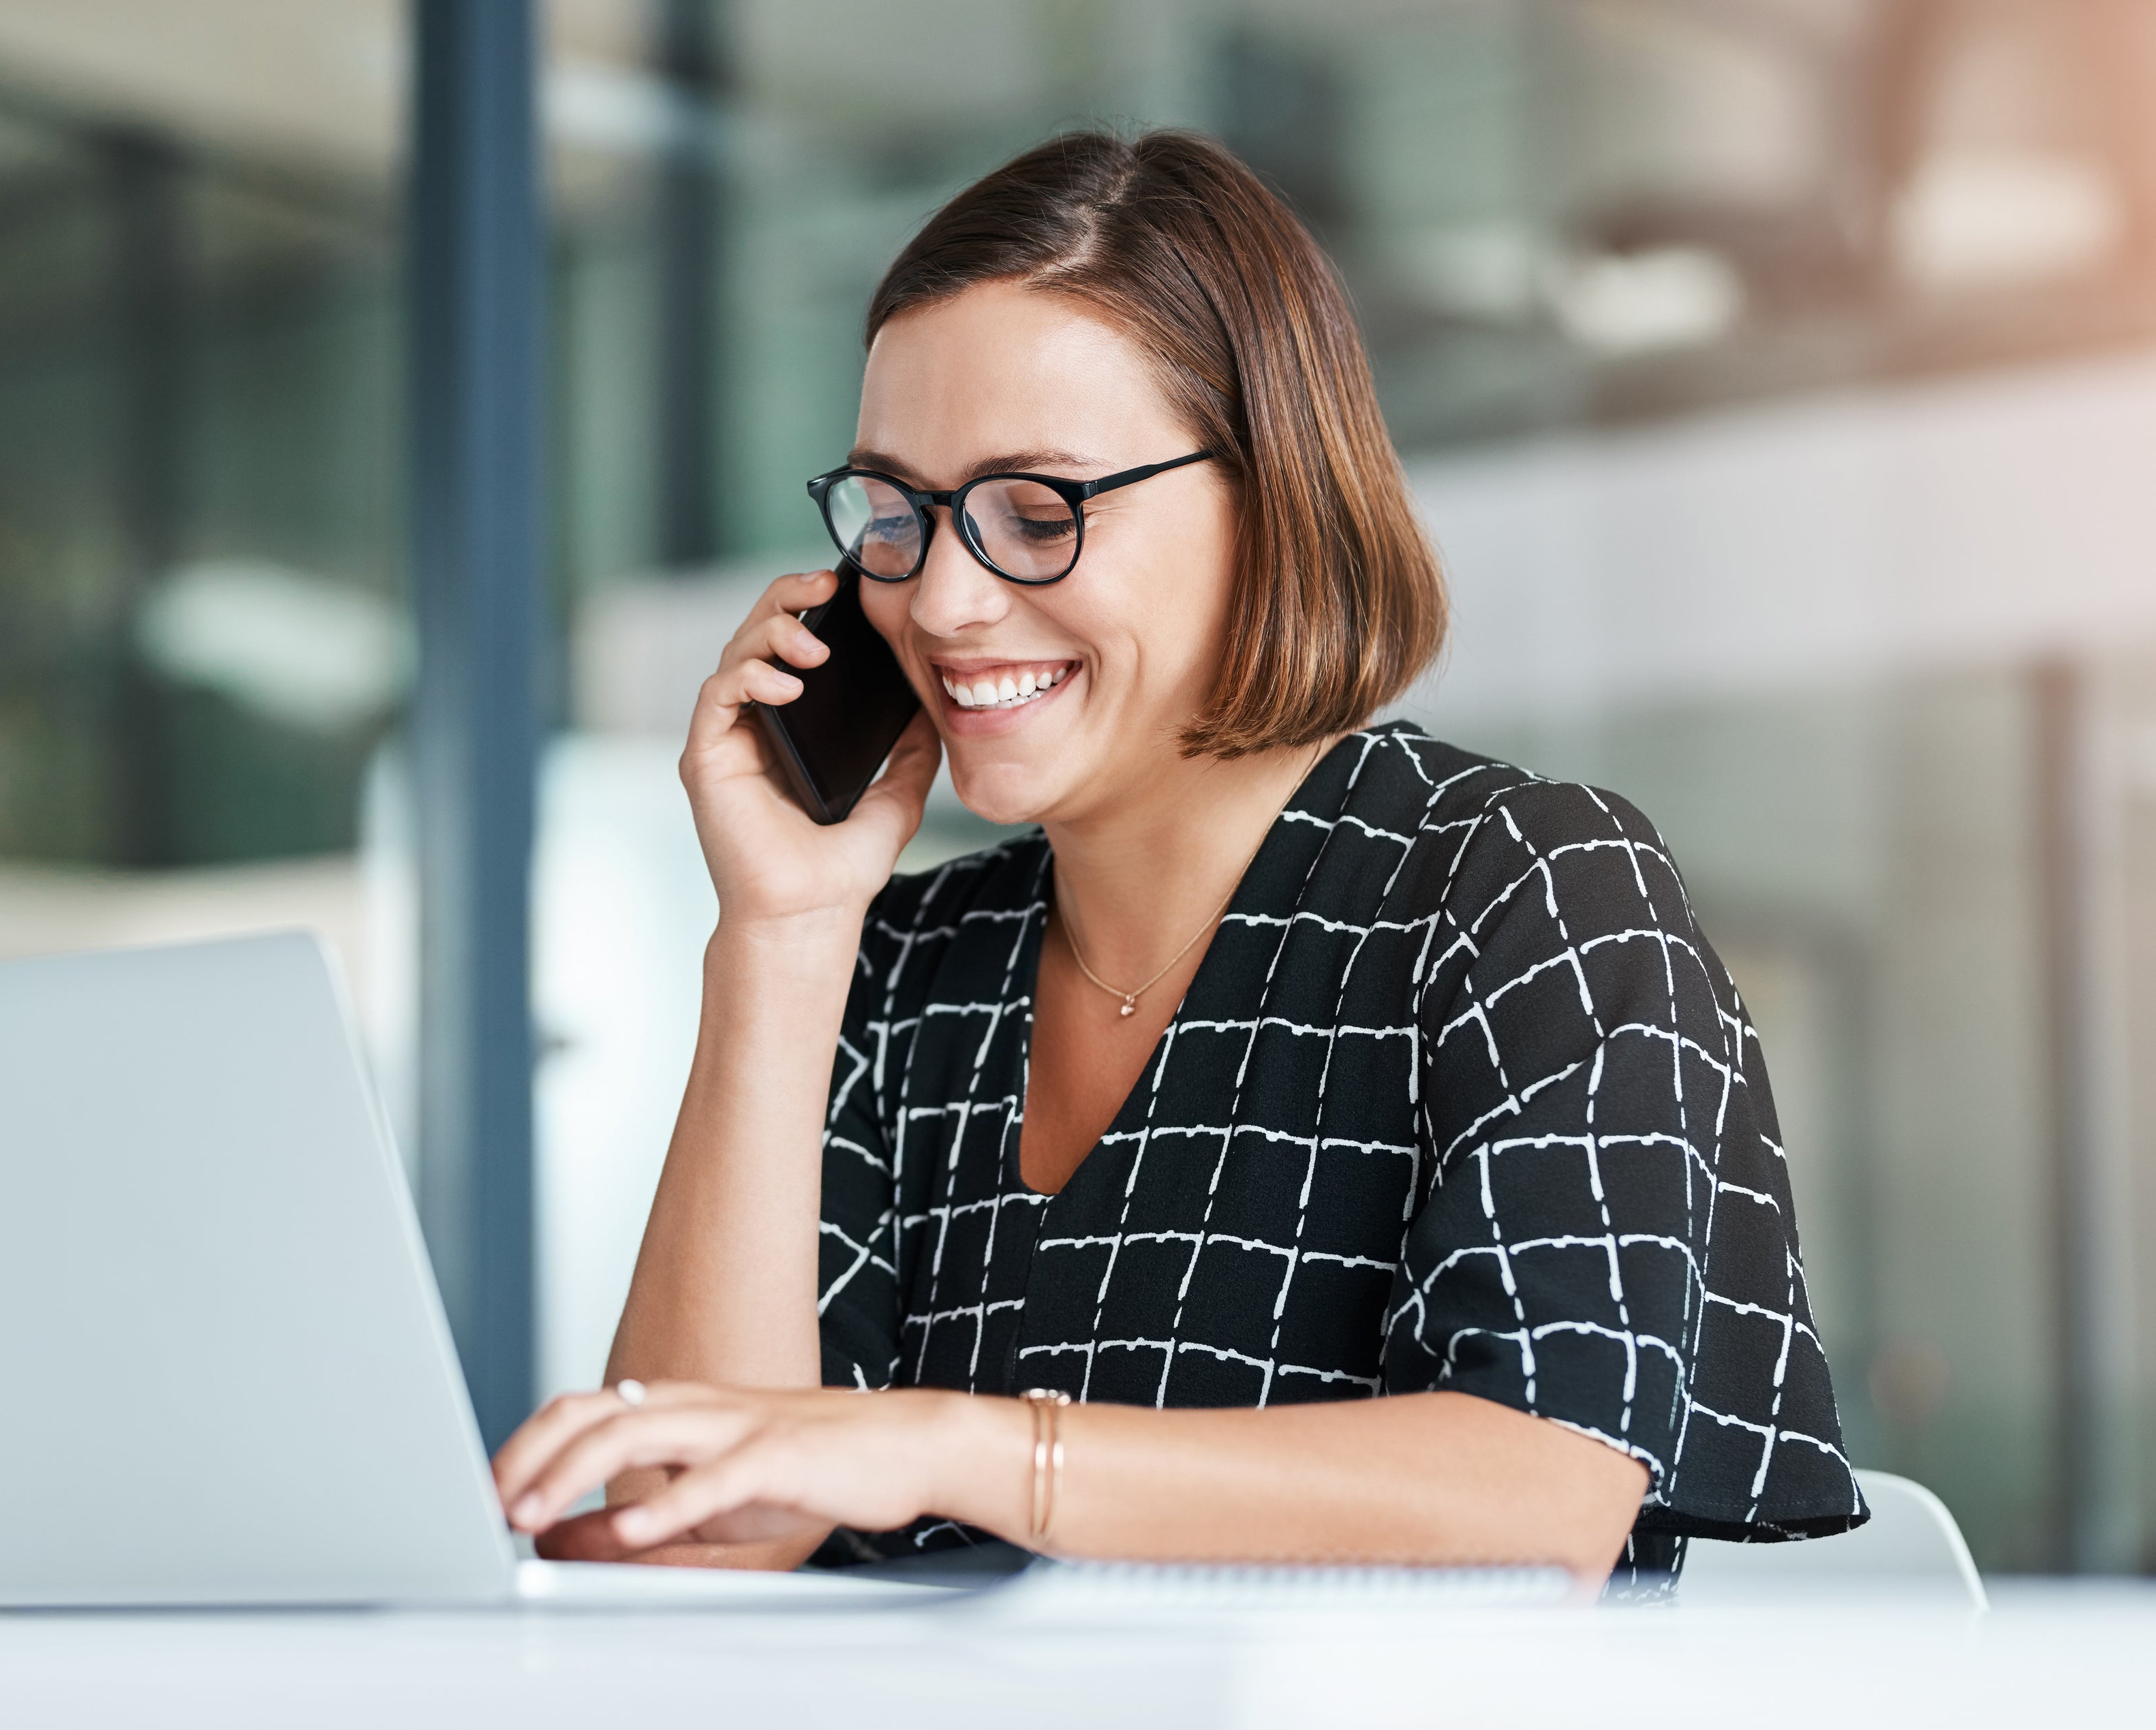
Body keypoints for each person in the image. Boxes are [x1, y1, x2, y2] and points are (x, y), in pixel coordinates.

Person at [493, 129, 1860, 1594]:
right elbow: (676, 1539)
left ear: (1268, 505)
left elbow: (1545, 1489)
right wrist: (778, 929)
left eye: (1038, 510)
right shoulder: (900, 967)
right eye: (896, 514)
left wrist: (952, 1449)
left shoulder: (1529, 891)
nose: (944, 602)